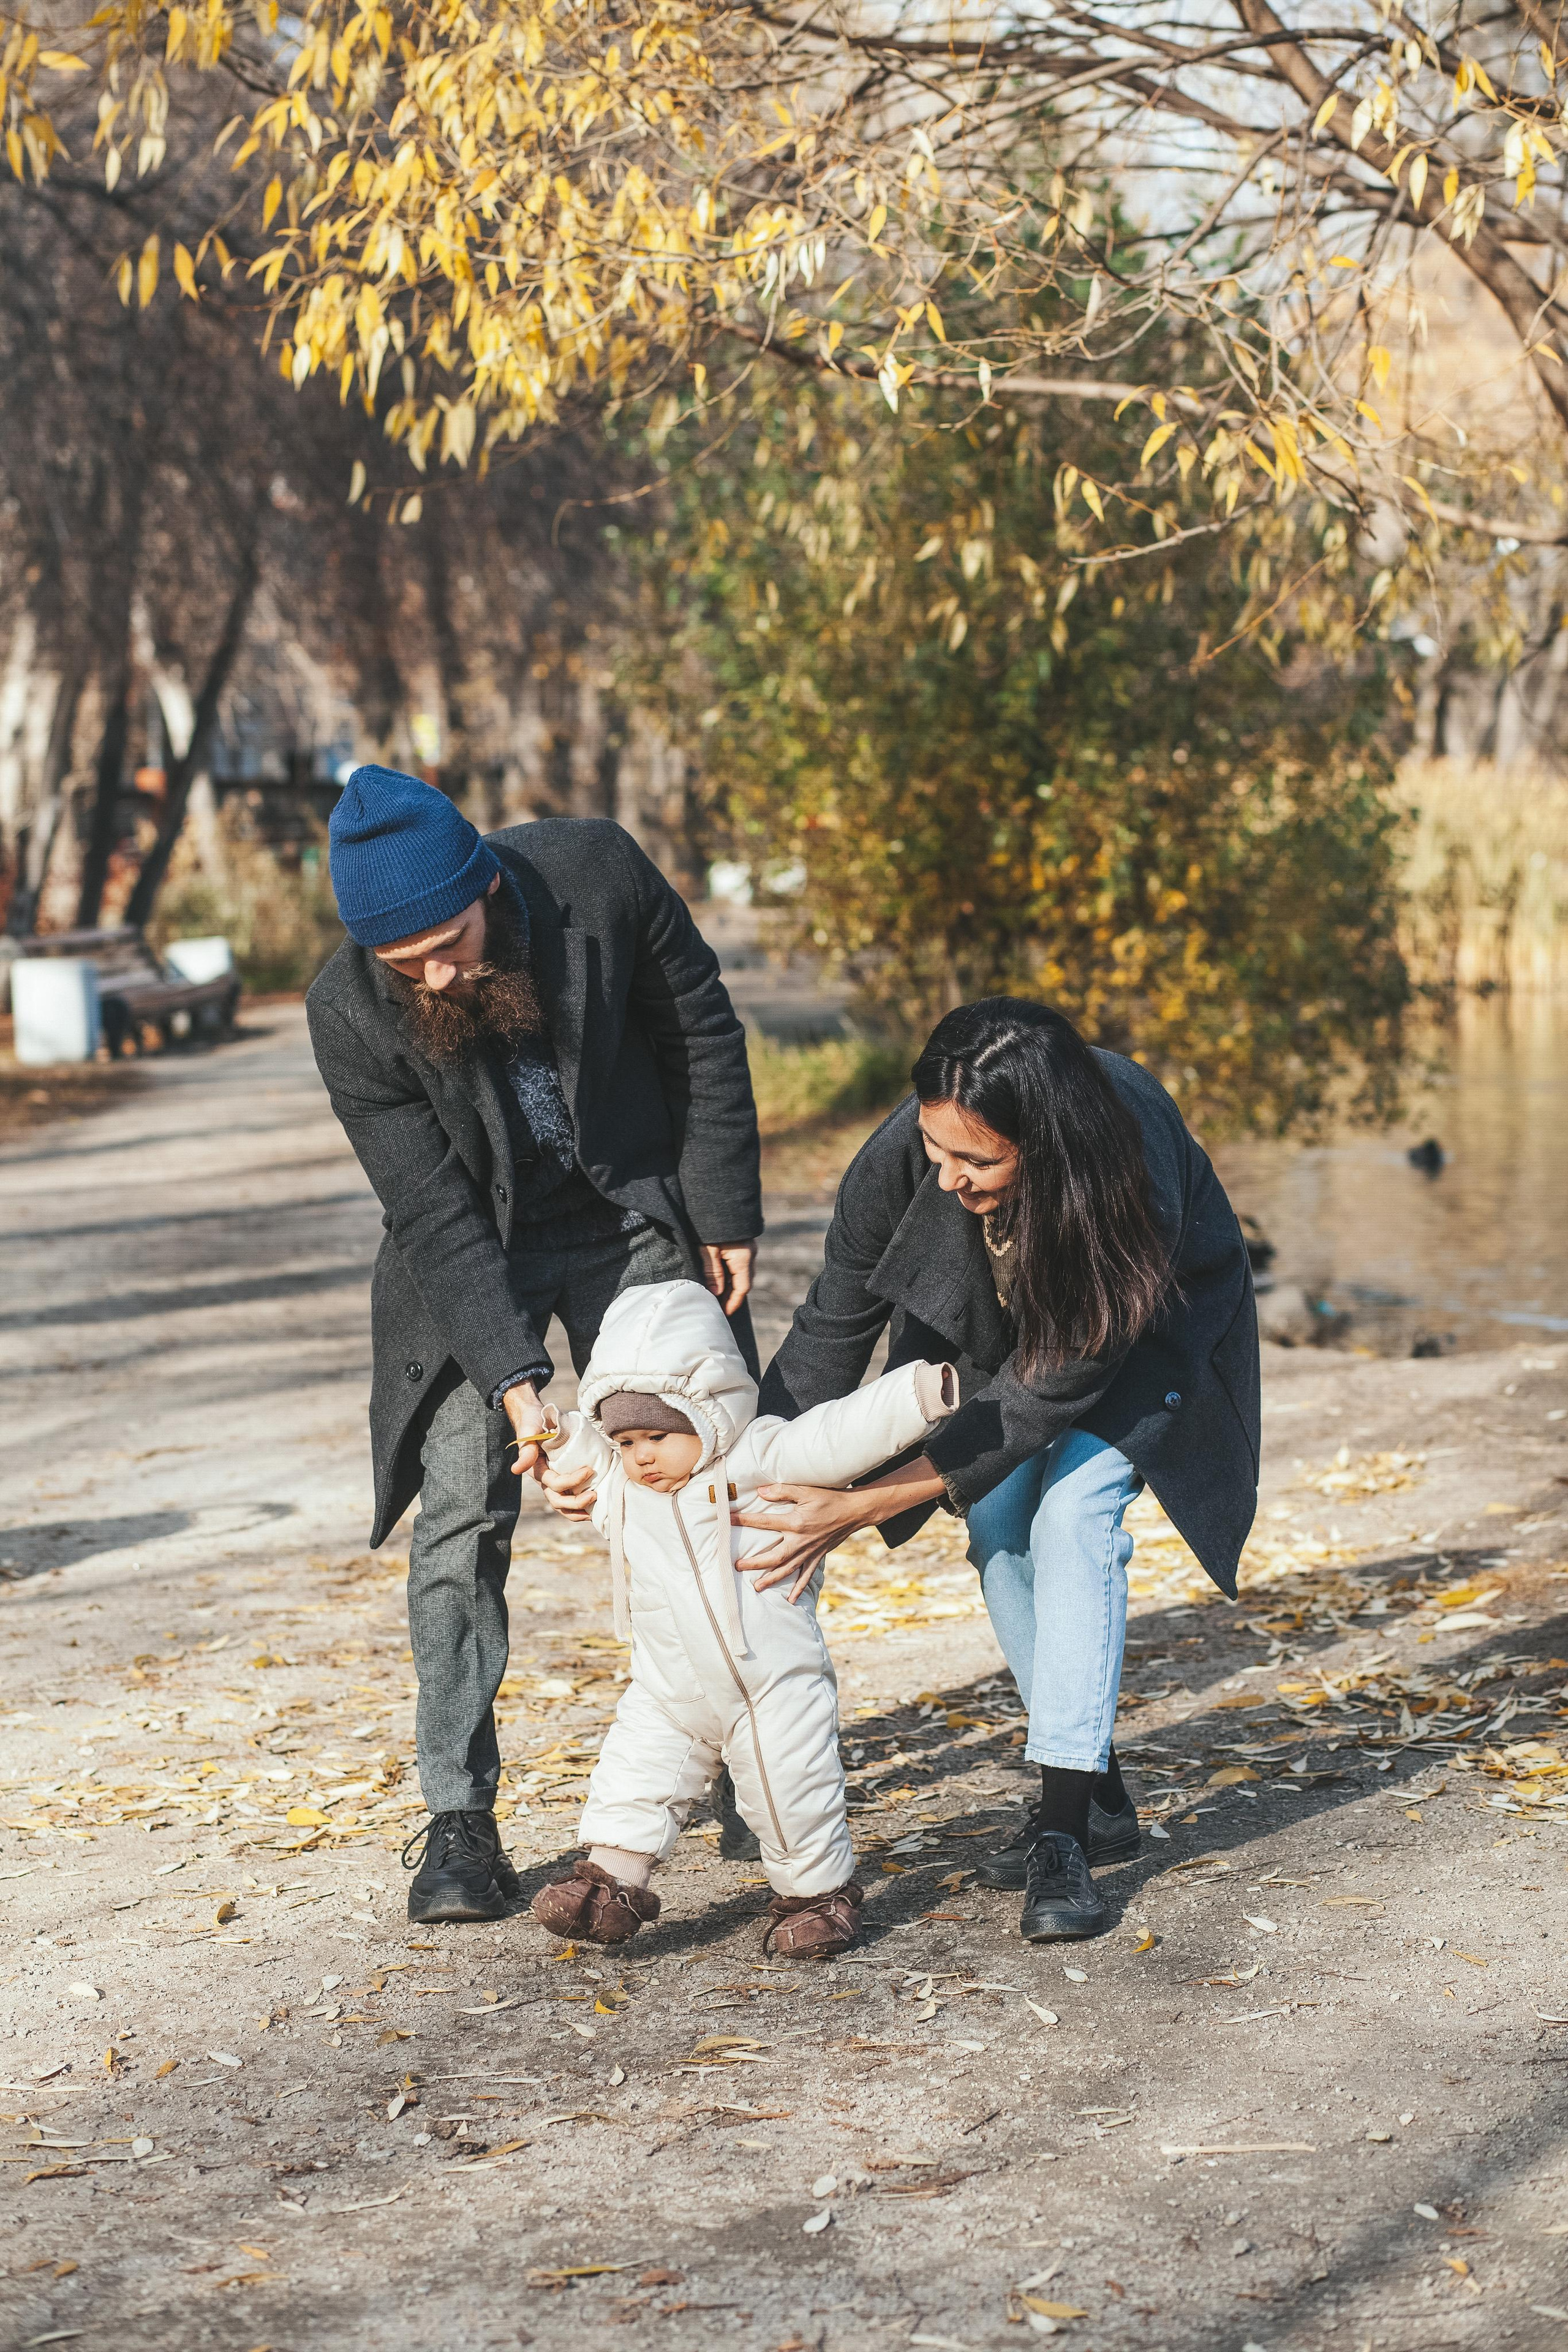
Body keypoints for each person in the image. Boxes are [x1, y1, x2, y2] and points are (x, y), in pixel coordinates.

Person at [307, 764, 762, 1925]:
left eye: (451, 945)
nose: (437, 977)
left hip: (626, 1215)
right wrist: (518, 1387)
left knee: (698, 1485)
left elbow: (698, 1029)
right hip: (473, 1253)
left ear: (487, 886)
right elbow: (430, 1211)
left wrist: (726, 1214)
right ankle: (459, 1819)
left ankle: (745, 1766)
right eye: (406, 966)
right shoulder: (349, 1009)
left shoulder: (596, 876)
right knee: (463, 1516)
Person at [732, 998, 1259, 1944]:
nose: (948, 1179)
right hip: (1001, 1350)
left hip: (1140, 1341)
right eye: (939, 1150)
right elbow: (831, 1328)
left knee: (1071, 1519)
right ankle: (1097, 1792)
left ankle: (1061, 1828)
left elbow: (1064, 1378)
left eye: (978, 1162)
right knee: (996, 1524)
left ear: (1048, 1144)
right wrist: (752, 1467)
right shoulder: (907, 1158)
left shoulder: (1121, 1155)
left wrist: (859, 1504)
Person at [526, 1279, 958, 1956]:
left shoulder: (758, 1456)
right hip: (670, 1686)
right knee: (634, 1776)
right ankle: (609, 1881)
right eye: (628, 1439)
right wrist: (555, 1433)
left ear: (707, 1412)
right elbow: (584, 1455)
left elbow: (834, 1438)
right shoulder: (625, 1485)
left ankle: (817, 1898)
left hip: (770, 1683)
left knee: (791, 1793)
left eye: (659, 1436)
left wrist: (914, 1397)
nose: (642, 1455)